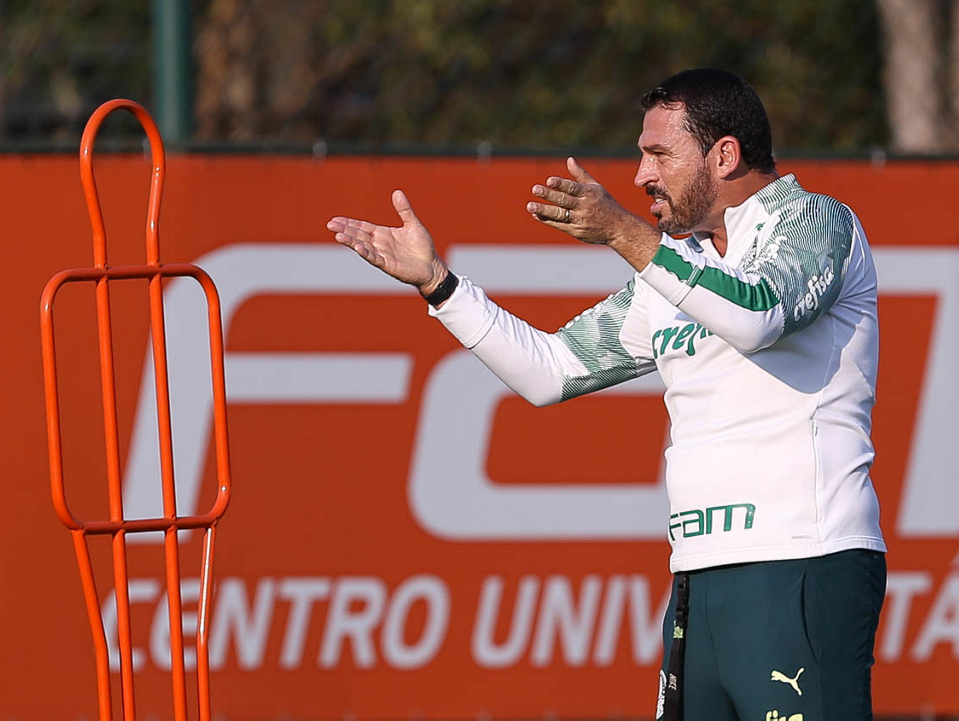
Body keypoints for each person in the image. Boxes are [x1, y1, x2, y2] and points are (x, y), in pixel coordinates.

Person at [327, 68, 887, 721]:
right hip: (697, 580)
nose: (641, 175)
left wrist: (623, 232)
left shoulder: (816, 221)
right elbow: (549, 369)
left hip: (803, 561)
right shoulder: (676, 271)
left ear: (724, 155)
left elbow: (757, 313)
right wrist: (439, 285)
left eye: (659, 154)